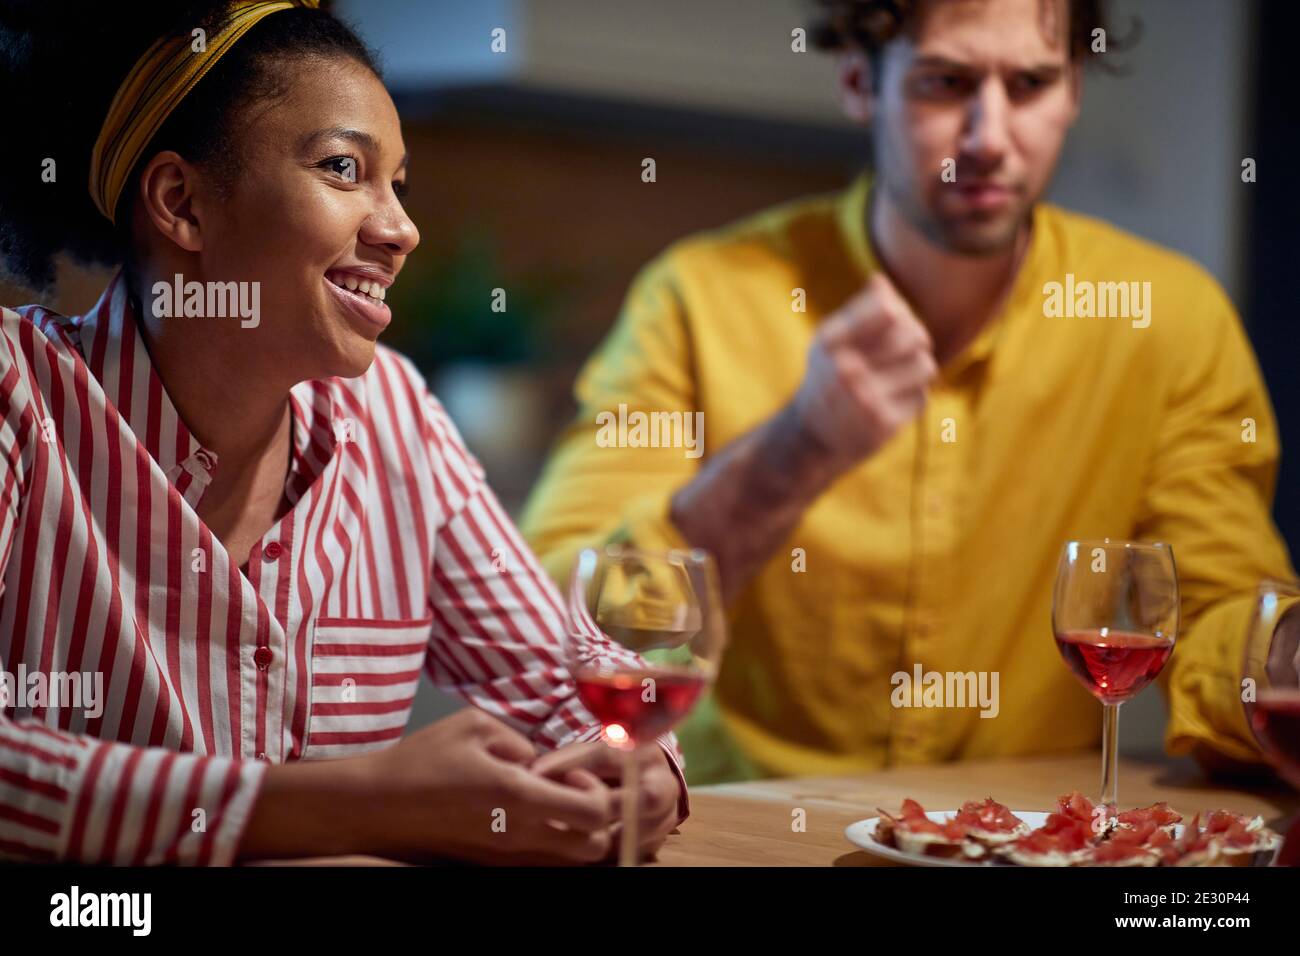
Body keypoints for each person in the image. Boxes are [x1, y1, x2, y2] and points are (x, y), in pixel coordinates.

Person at [520, 0, 1297, 783]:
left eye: (1030, 83)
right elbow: (544, 621)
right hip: (742, 830)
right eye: (945, 83)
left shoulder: (1168, 318)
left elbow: (1219, 613)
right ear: (861, 82)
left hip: (1025, 838)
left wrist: (1284, 652)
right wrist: (791, 453)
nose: (989, 139)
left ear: (1075, 91)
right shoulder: (698, 296)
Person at [0, 0, 686, 865]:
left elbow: (562, 676)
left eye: (397, 183)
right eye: (342, 168)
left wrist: (644, 763)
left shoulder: (391, 410)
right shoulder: (17, 397)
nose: (400, 229)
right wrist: (352, 805)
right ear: (182, 203)